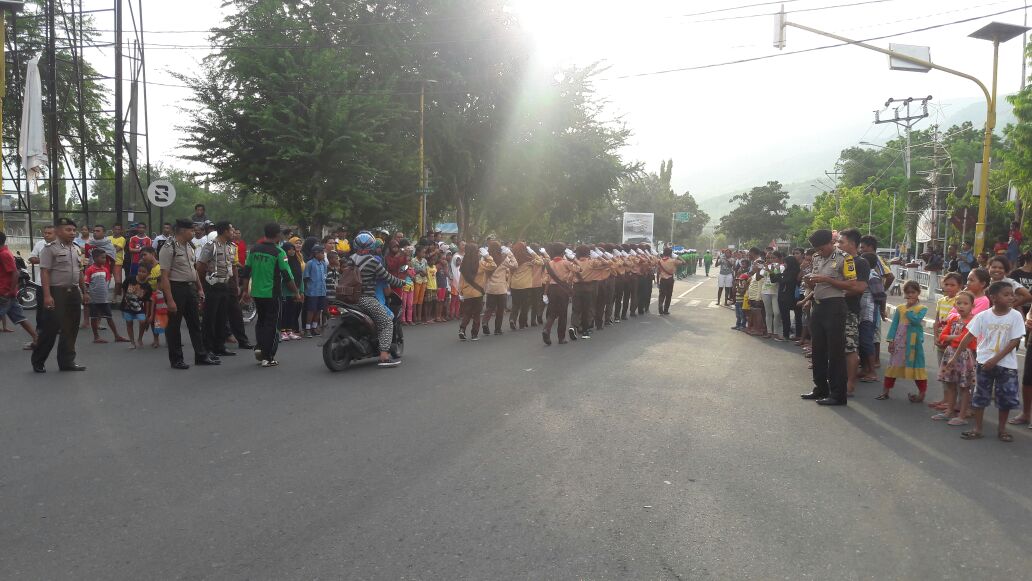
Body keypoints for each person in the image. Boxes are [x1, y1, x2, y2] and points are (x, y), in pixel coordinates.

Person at [950, 281, 1025, 442]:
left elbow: (1014, 341)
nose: (1011, 297)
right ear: (994, 297)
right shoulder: (983, 316)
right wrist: (955, 357)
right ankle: (977, 428)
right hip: (984, 363)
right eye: (1006, 294)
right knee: (980, 396)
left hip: (1007, 365)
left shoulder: (1016, 316)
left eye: (1012, 294)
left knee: (1005, 399)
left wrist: (995, 359)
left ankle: (1002, 429)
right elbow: (968, 336)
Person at [801, 229, 861, 406]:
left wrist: (827, 279)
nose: (819, 252)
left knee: (835, 352)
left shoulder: (844, 258)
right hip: (818, 306)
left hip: (835, 307)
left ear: (830, 243)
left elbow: (852, 285)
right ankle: (820, 387)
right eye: (816, 249)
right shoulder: (817, 258)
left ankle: (837, 394)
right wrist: (809, 280)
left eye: (821, 248)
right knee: (817, 350)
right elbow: (813, 283)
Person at [159, 218, 218, 370]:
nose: (194, 232)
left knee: (195, 323)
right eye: (192, 230)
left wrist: (199, 288)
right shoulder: (168, 247)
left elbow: (193, 269)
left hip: (190, 288)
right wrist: (170, 300)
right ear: (183, 231)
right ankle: (177, 359)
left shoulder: (190, 246)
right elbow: (164, 276)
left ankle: (201, 355)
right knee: (174, 326)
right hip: (175, 288)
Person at [240, 224, 301, 367]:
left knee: (261, 322)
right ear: (277, 235)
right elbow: (286, 275)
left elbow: (246, 271)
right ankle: (268, 357)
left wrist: (244, 291)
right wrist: (296, 292)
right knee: (273, 325)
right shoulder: (278, 252)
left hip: (257, 293)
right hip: (272, 293)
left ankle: (260, 349)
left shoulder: (254, 250)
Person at [31, 218, 87, 373]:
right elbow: (45, 272)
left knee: (71, 328)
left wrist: (84, 291)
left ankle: (67, 362)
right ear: (58, 231)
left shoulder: (76, 249)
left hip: (73, 292)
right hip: (56, 292)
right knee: (50, 328)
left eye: (74, 230)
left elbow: (80, 271)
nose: (72, 233)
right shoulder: (49, 249)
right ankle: (38, 361)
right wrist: (47, 296)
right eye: (68, 230)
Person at [876, 281, 928, 401]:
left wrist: (909, 310)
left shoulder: (922, 308)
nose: (910, 295)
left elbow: (916, 321)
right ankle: (885, 391)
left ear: (918, 293)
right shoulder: (900, 308)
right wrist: (890, 341)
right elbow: (894, 325)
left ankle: (921, 394)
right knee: (893, 366)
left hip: (914, 345)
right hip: (899, 342)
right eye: (907, 292)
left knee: (917, 367)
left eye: (913, 292)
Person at [933, 290, 976, 423]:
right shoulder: (952, 318)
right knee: (950, 383)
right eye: (958, 303)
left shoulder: (974, 320)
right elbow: (942, 336)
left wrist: (952, 339)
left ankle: (962, 416)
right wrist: (954, 338)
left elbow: (966, 339)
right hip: (950, 352)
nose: (961, 306)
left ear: (972, 306)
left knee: (964, 387)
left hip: (965, 355)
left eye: (965, 303)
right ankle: (949, 411)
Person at [196, 221, 237, 357]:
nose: (233, 233)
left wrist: (234, 284)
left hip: (225, 285)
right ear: (225, 231)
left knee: (222, 317)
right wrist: (201, 286)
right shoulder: (211, 246)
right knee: (209, 318)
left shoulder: (230, 247)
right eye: (231, 230)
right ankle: (207, 348)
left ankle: (220, 346)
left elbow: (232, 266)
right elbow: (201, 267)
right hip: (212, 286)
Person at [0, 231, 39, 348]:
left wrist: (9, 291)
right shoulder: (4, 253)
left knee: (20, 318)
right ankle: (37, 339)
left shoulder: (4, 254)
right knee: (20, 318)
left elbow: (15, 273)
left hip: (4, 293)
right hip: (7, 293)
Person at [84, 248, 129, 344]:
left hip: (104, 299)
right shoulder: (90, 270)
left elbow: (105, 282)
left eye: (105, 258)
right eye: (103, 258)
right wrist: (86, 294)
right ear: (95, 258)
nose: (105, 260)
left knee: (109, 317)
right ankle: (96, 337)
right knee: (94, 317)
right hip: (94, 299)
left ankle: (117, 336)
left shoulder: (105, 270)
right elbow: (86, 284)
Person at [541, 242, 579, 346]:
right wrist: (573, 258)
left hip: (552, 289)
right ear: (563, 251)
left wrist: (545, 293)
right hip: (563, 290)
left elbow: (546, 280)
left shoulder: (549, 263)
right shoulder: (566, 263)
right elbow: (579, 269)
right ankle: (561, 338)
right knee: (563, 314)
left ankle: (546, 329)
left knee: (552, 312)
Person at [481, 241, 516, 336]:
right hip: (501, 288)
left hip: (490, 287)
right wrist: (510, 253)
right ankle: (497, 329)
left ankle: (485, 322)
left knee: (489, 308)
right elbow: (515, 265)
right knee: (500, 310)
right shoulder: (504, 259)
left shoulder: (487, 259)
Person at [509, 243, 540, 329]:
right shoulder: (529, 260)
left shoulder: (512, 260)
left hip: (514, 284)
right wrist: (533, 252)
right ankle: (522, 323)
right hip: (526, 285)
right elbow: (540, 261)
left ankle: (512, 319)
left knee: (515, 304)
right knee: (525, 305)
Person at [121, 267, 152, 349]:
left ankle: (140, 338)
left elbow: (147, 301)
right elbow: (124, 288)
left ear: (148, 274)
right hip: (127, 306)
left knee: (142, 321)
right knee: (129, 322)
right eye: (139, 271)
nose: (141, 273)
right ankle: (132, 342)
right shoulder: (130, 278)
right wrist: (124, 299)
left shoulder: (147, 286)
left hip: (139, 308)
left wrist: (148, 314)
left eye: (144, 272)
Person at [303, 244, 328, 337]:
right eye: (322, 253)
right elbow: (306, 277)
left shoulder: (323, 264)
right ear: (316, 253)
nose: (324, 254)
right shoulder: (310, 263)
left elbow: (325, 276)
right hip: (312, 291)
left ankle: (314, 327)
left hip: (322, 291)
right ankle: (307, 329)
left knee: (319, 310)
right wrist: (306, 290)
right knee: (311, 310)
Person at [655, 247, 683, 315]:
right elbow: (684, 262)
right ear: (671, 253)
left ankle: (660, 306)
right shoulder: (673, 261)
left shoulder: (660, 261)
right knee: (668, 295)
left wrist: (658, 282)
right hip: (670, 279)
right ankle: (666, 310)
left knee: (661, 294)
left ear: (664, 253)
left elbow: (658, 272)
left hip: (662, 280)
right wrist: (677, 256)